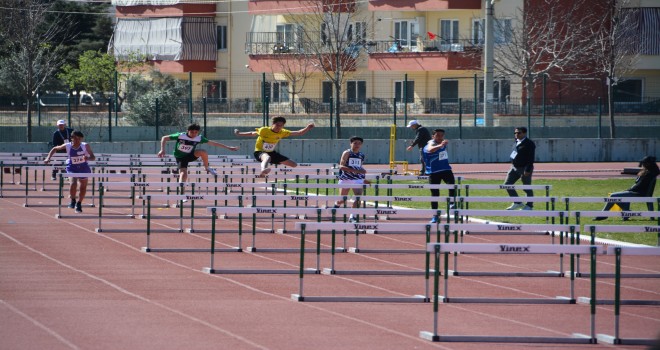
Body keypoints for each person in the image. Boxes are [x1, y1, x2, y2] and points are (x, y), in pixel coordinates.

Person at [234, 116, 314, 177]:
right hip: (259, 152)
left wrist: (308, 128)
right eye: (277, 125)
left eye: (281, 125)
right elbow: (252, 133)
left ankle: (268, 164)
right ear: (273, 124)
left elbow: (299, 133)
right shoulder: (264, 130)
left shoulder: (283, 132)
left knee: (293, 164)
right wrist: (239, 134)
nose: (278, 127)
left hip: (272, 153)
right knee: (267, 158)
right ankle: (263, 170)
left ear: (283, 126)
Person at [157, 123, 239, 183]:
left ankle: (207, 167)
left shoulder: (199, 138)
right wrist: (162, 150)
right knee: (183, 173)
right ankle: (182, 193)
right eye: (192, 132)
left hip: (190, 155)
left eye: (196, 132)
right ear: (188, 131)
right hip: (180, 157)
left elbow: (213, 143)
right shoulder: (180, 135)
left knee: (203, 152)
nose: (194, 134)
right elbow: (164, 138)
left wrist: (228, 147)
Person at [44, 130, 95, 213]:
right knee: (73, 183)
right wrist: (48, 158)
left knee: (83, 187)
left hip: (83, 167)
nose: (77, 140)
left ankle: (79, 203)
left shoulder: (85, 146)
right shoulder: (68, 145)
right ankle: (73, 200)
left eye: (79, 138)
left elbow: (93, 157)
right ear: (72, 138)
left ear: (81, 139)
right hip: (72, 167)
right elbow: (55, 148)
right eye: (75, 138)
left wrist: (88, 158)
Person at [595, 156, 659, 220]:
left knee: (612, 196)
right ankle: (627, 213)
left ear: (648, 164)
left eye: (644, 163)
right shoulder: (650, 172)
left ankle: (604, 214)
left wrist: (628, 190)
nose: (642, 164)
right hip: (637, 192)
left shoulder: (649, 174)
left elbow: (639, 186)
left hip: (638, 193)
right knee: (622, 196)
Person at [422, 129, 456, 223]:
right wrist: (441, 145)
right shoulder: (430, 144)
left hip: (446, 169)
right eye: (438, 135)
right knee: (435, 194)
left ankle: (452, 204)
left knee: (452, 185)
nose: (440, 137)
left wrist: (442, 144)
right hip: (434, 172)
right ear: (433, 136)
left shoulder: (442, 143)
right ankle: (435, 215)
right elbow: (430, 149)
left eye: (442, 135)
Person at [333, 136, 370, 223]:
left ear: (361, 145)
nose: (357, 145)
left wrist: (363, 177)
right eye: (355, 143)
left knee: (358, 198)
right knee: (342, 199)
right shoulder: (347, 153)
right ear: (351, 144)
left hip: (357, 179)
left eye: (359, 143)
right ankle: (336, 205)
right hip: (346, 178)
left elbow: (359, 167)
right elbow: (341, 166)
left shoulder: (361, 155)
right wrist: (355, 170)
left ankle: (352, 217)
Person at [504, 126, 536, 210]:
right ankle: (517, 202)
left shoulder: (529, 143)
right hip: (514, 167)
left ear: (524, 133)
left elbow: (531, 157)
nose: (516, 134)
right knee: (507, 185)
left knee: (526, 187)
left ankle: (529, 205)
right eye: (515, 133)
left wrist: (528, 169)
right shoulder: (516, 141)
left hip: (525, 168)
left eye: (519, 133)